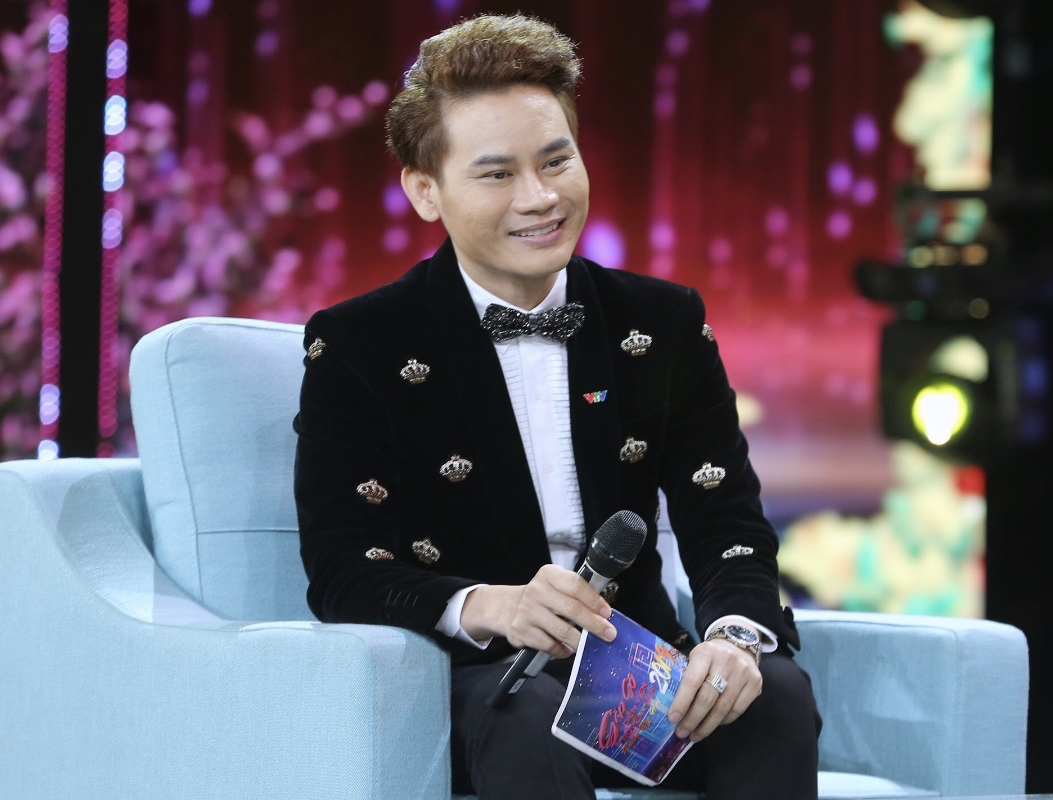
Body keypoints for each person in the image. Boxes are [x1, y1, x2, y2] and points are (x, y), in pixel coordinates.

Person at [293, 13, 819, 799]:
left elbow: (726, 521)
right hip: (478, 680)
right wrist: (490, 606)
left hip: (635, 670)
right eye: (497, 175)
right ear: (425, 191)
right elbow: (342, 569)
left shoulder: (662, 322)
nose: (540, 198)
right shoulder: (360, 343)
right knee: (526, 712)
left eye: (556, 160)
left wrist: (735, 638)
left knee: (772, 696)